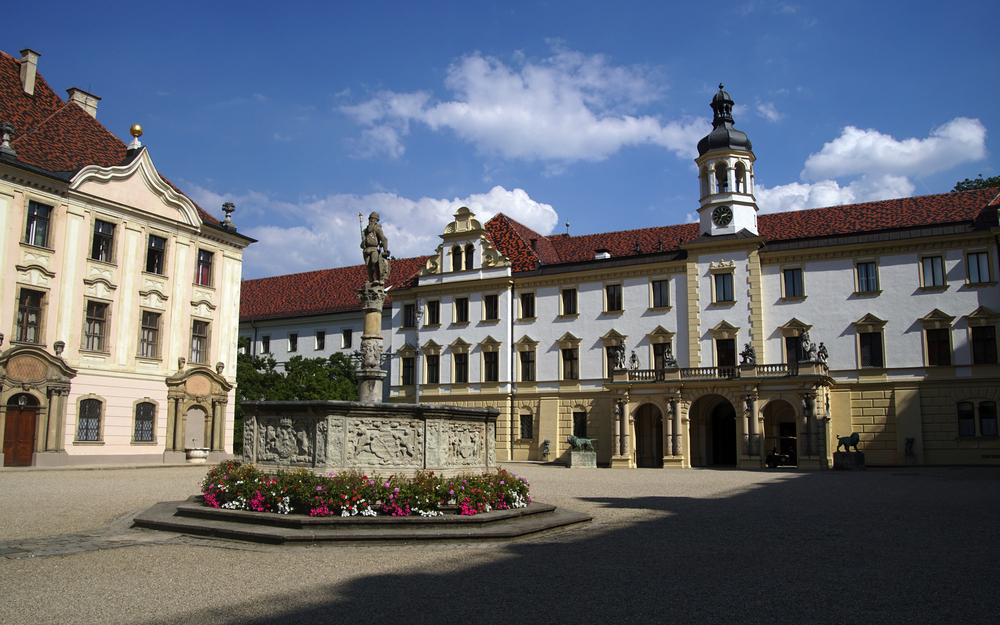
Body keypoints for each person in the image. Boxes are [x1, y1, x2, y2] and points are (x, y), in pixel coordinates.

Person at [361, 211, 391, 284]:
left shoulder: (377, 228)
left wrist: (385, 249)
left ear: (376, 221)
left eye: (373, 219)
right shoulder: (366, 231)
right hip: (366, 249)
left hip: (374, 249)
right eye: (370, 219)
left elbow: (383, 239)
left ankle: (378, 278)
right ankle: (371, 279)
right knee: (368, 265)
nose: (371, 221)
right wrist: (363, 243)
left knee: (375, 262)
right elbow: (363, 242)